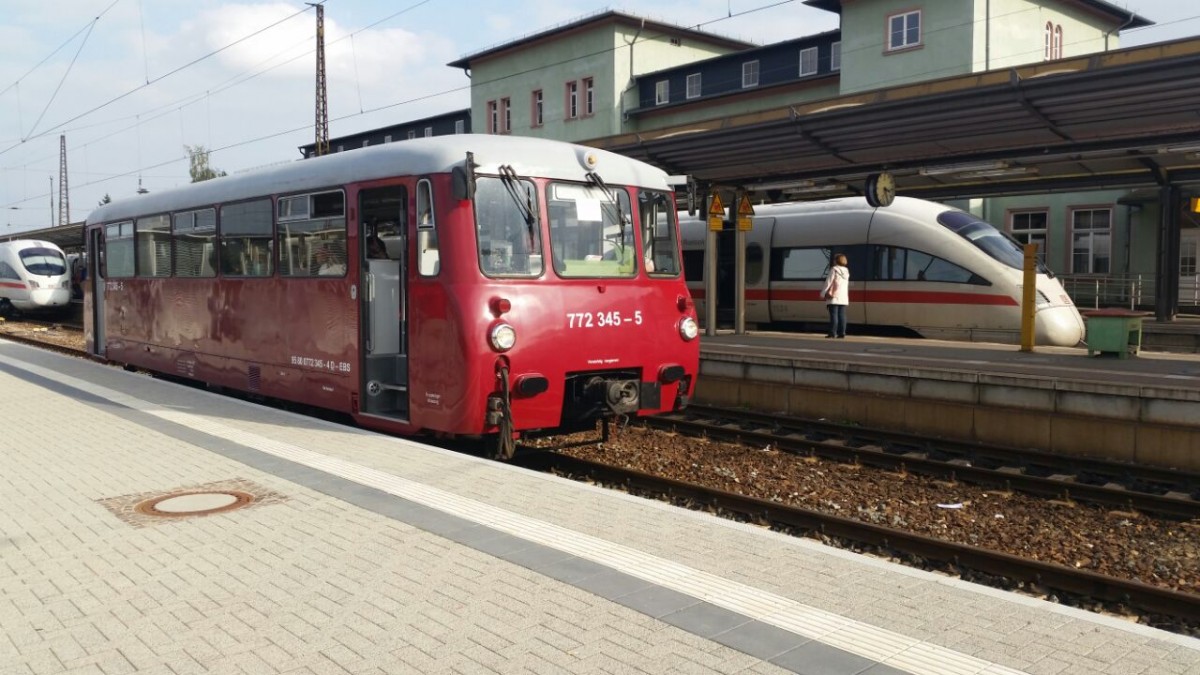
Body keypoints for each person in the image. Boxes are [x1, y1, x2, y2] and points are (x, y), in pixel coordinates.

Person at [821, 253, 850, 338]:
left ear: (836, 261)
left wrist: (823, 293)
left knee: (834, 315)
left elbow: (828, 282)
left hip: (833, 295)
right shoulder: (846, 271)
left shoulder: (834, 269)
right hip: (843, 296)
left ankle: (832, 333)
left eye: (834, 259)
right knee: (842, 315)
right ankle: (842, 333)